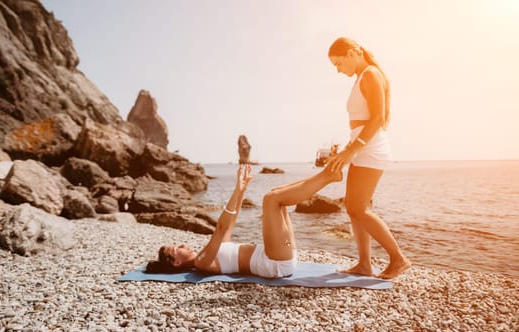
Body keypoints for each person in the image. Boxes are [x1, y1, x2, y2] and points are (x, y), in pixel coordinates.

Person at [146, 164, 342, 278]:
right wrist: (238, 190)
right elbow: (221, 227)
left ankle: (328, 176)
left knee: (276, 196)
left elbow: (230, 222)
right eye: (176, 249)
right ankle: (327, 176)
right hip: (275, 263)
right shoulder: (202, 262)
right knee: (271, 200)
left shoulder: (208, 254)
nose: (182, 244)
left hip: (284, 252)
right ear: (177, 262)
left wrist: (241, 190)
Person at [327, 37, 411, 279]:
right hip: (360, 146)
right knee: (353, 209)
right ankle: (364, 264)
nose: (338, 69)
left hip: (370, 148)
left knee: (358, 208)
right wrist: (348, 148)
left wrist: (352, 150)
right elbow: (361, 122)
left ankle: (399, 259)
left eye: (339, 63)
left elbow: (376, 119)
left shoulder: (371, 74)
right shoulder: (361, 77)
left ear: (353, 53)